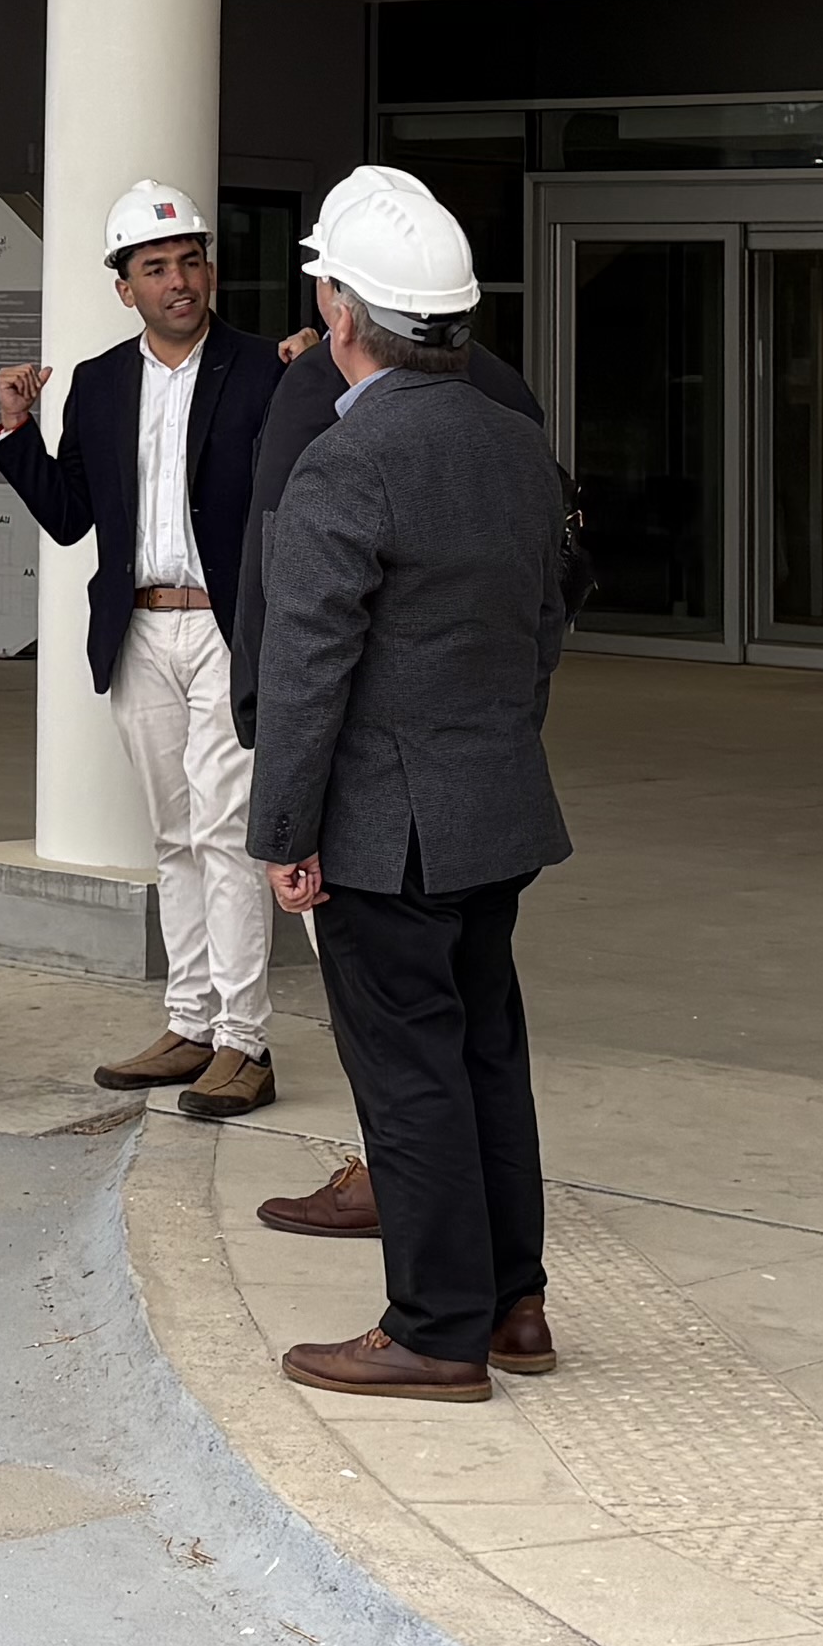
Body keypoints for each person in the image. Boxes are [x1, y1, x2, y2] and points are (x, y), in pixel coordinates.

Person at [247, 163, 575, 1404]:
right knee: (487, 1056)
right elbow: (542, 630)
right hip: (496, 811)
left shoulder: (349, 460)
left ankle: (437, 1330)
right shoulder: (517, 446)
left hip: (387, 831)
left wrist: (284, 831)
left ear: (341, 313)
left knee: (411, 1076)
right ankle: (514, 1306)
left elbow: (306, 666)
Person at [0, 178, 275, 1119]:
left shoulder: (266, 369)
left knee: (226, 831)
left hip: (227, 626)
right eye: (155, 268)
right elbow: (73, 517)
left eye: (190, 261)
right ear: (125, 287)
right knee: (173, 834)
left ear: (210, 270)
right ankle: (190, 1022)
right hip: (139, 628)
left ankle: (245, 1039)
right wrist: (18, 433)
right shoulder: (101, 383)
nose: (177, 280)